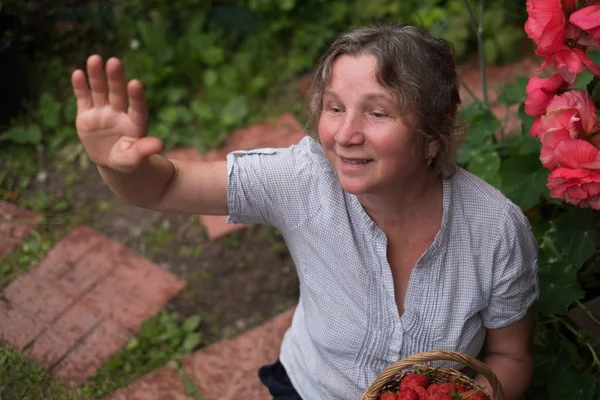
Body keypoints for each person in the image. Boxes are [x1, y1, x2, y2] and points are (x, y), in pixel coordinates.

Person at [71, 23, 539, 400]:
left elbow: (511, 359)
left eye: (377, 113)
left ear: (433, 135)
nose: (344, 134)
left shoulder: (494, 229)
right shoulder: (304, 179)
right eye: (334, 108)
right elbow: (167, 185)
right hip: (311, 389)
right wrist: (117, 163)